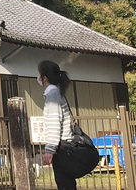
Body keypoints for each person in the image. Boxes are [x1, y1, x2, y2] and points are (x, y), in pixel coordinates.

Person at [38, 60, 76, 190]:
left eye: (39, 75)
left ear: (44, 78)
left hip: (62, 147)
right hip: (65, 146)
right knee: (67, 184)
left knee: (64, 184)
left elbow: (54, 122)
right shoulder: (57, 92)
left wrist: (50, 150)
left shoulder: (52, 94)